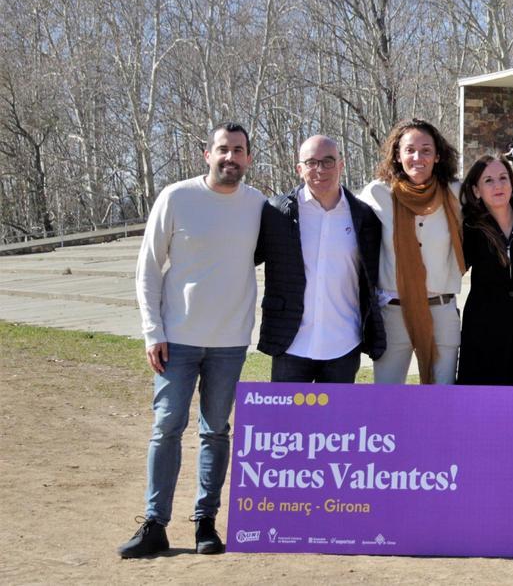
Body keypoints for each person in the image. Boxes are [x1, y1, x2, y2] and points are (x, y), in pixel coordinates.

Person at [119, 123, 265, 558]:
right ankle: (155, 524)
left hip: (230, 342)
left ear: (249, 158)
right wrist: (153, 331)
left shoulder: (258, 205)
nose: (231, 158)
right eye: (223, 149)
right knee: (166, 428)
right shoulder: (176, 197)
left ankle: (206, 522)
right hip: (176, 340)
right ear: (207, 154)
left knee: (217, 431)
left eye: (239, 151)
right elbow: (148, 267)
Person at [254, 135, 385, 383]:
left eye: (328, 161)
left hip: (344, 344)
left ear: (341, 165)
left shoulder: (363, 216)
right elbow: (246, 258)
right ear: (299, 168)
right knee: (287, 423)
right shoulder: (277, 212)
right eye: (311, 162)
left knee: (336, 423)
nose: (320, 169)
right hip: (290, 343)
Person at [359, 119, 463, 385]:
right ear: (397, 154)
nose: (418, 157)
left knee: (442, 399)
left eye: (426, 150)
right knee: (387, 398)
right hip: (394, 313)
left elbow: (500, 193)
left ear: (438, 155)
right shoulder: (377, 193)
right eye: (410, 150)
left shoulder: (456, 193)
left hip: (441, 311)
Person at [457, 155, 513, 385]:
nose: (498, 185)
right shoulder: (470, 227)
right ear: (476, 191)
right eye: (488, 180)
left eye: (503, 178)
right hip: (485, 331)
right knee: (484, 406)